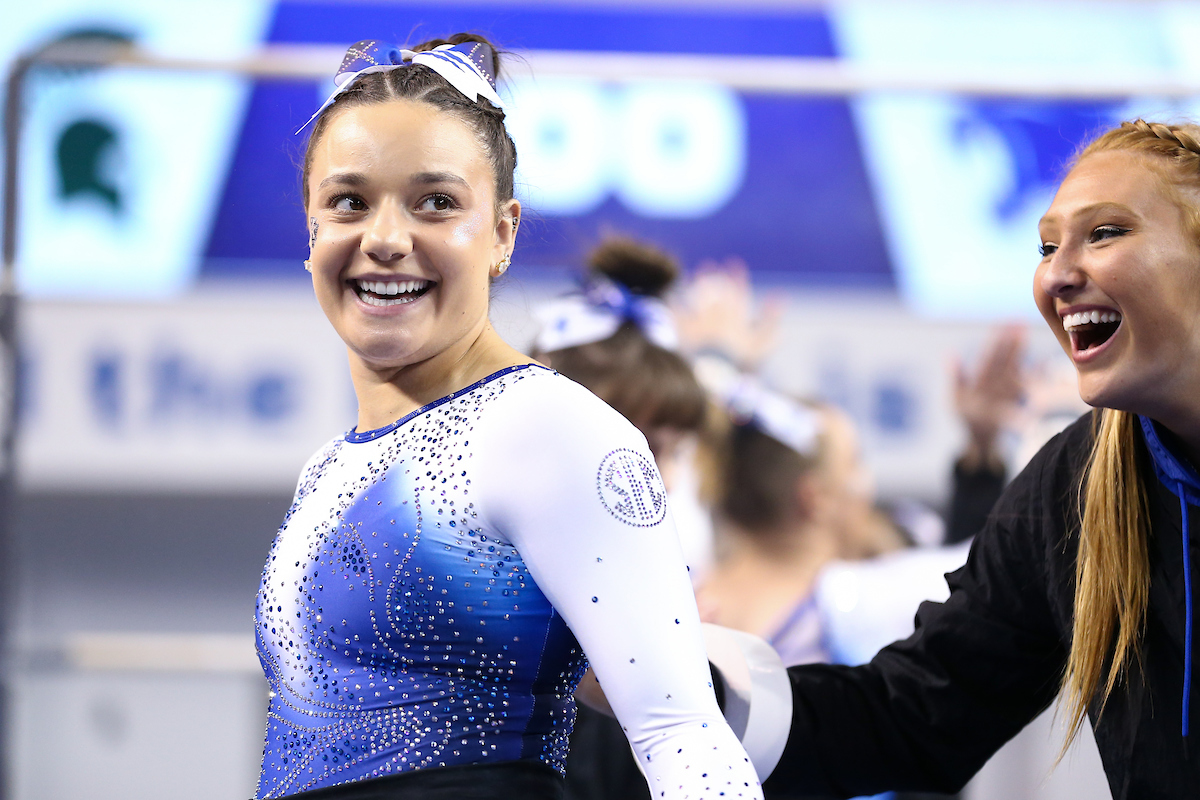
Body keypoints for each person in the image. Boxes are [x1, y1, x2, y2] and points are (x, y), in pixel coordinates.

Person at [252, 35, 763, 800]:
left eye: (436, 203)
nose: (386, 239)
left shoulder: (550, 429)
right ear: (312, 231)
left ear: (501, 233)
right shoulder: (328, 466)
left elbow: (683, 735)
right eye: (349, 201)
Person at [761, 119, 1200, 800]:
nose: (1057, 273)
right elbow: (908, 715)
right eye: (1048, 246)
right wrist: (680, 686)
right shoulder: (1075, 488)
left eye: (1105, 233)